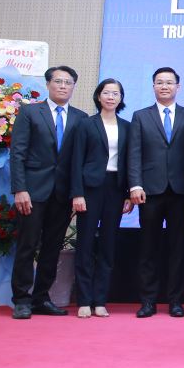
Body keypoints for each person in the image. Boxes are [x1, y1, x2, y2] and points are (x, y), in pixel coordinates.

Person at [9, 65, 88, 319]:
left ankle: (41, 298)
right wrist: (20, 189)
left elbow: (80, 160)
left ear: (73, 87)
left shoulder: (81, 118)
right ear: (48, 84)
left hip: (62, 194)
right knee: (27, 245)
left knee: (52, 248)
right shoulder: (30, 112)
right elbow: (17, 153)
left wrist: (77, 192)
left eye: (68, 82)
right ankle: (21, 299)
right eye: (58, 81)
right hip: (33, 191)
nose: (63, 86)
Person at [127, 67, 184, 319]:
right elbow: (134, 153)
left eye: (169, 82)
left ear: (178, 86)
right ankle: (148, 301)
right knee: (148, 247)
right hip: (149, 191)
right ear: (153, 86)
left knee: (178, 248)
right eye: (160, 82)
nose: (165, 86)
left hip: (180, 191)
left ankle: (175, 301)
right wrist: (135, 185)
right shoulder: (140, 116)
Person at [70, 79, 133, 319]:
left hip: (115, 188)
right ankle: (84, 300)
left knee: (108, 245)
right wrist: (77, 193)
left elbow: (130, 162)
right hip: (90, 188)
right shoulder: (86, 124)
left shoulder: (127, 127)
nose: (111, 97)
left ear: (121, 98)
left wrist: (128, 194)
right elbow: (76, 160)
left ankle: (100, 300)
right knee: (85, 244)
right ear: (98, 96)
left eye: (116, 93)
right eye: (106, 93)